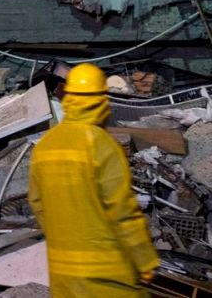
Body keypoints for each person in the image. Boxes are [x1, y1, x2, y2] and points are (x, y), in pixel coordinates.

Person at [28, 63, 160, 298]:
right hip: (105, 269)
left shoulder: (45, 145)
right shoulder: (100, 143)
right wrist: (144, 260)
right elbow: (122, 210)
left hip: (63, 271)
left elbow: (37, 203)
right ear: (101, 99)